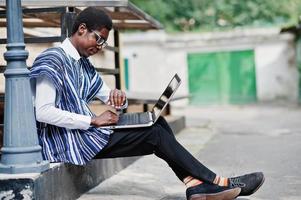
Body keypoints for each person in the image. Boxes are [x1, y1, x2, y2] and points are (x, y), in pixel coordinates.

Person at [29, 7, 264, 200]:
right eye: (98, 39)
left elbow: (106, 95)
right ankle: (217, 182)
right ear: (82, 29)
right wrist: (92, 119)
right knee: (153, 135)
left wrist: (117, 99)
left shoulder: (81, 62)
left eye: (103, 43)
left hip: (83, 134)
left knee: (158, 123)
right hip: (65, 142)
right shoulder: (53, 60)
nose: (99, 47)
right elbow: (43, 112)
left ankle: (196, 185)